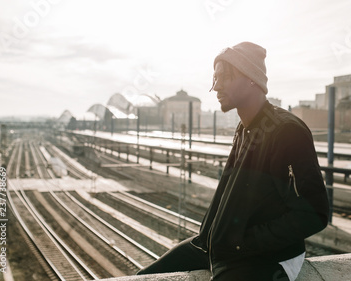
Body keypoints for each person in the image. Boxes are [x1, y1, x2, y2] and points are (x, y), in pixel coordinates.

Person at [137, 42, 330, 281]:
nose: (215, 87)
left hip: (264, 257)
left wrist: (241, 243)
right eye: (214, 79)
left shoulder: (287, 131)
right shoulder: (244, 128)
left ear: (251, 78)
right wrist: (215, 237)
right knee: (140, 278)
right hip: (219, 247)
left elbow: (314, 214)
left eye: (223, 78)